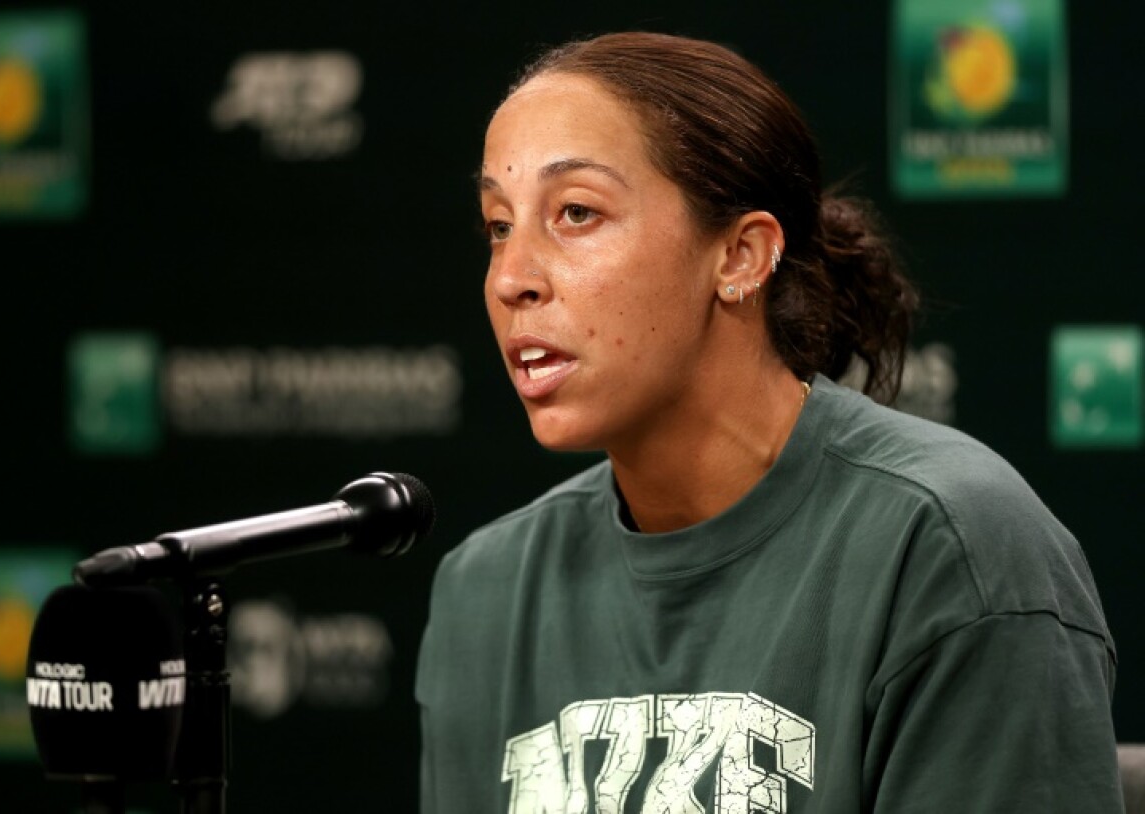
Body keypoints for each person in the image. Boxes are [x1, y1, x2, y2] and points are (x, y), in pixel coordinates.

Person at [416, 31, 1123, 813]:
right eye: (498, 226)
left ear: (742, 257)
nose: (512, 278)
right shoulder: (486, 589)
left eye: (577, 212)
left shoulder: (951, 547)